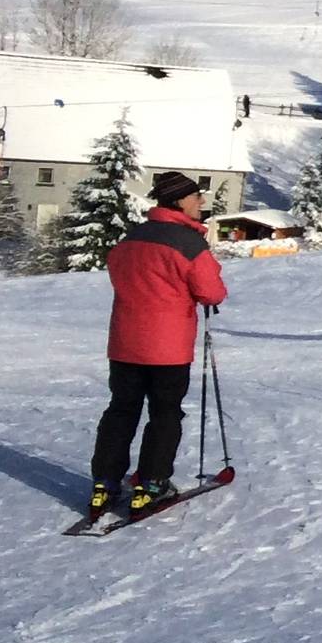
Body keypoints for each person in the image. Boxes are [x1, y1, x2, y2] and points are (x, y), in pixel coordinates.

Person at [91, 172, 228, 513]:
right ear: (180, 201)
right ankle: (151, 484)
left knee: (121, 410)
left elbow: (118, 272)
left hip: (124, 342)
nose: (202, 202)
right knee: (164, 413)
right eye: (197, 197)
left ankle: (105, 483)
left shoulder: (132, 237)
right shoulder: (188, 243)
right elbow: (211, 291)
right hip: (167, 347)